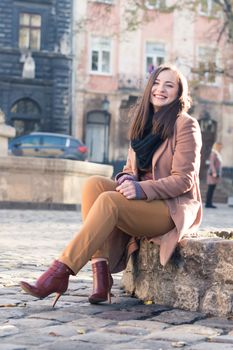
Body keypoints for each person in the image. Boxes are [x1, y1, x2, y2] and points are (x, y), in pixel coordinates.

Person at [20, 64, 203, 307]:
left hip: (170, 208)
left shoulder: (185, 125)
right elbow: (131, 169)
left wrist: (141, 189)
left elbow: (184, 180)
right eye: (157, 83)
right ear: (150, 87)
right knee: (93, 185)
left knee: (109, 201)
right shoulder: (143, 123)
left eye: (169, 85)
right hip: (143, 202)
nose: (160, 89)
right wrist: (127, 179)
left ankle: (58, 273)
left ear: (179, 93)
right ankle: (101, 276)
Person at [205, 142, 223, 208]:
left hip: (215, 174)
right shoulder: (213, 154)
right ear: (217, 146)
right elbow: (211, 164)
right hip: (212, 175)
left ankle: (209, 203)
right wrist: (214, 172)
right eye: (220, 146)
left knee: (212, 189)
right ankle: (208, 204)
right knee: (210, 189)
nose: (221, 148)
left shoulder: (217, 154)